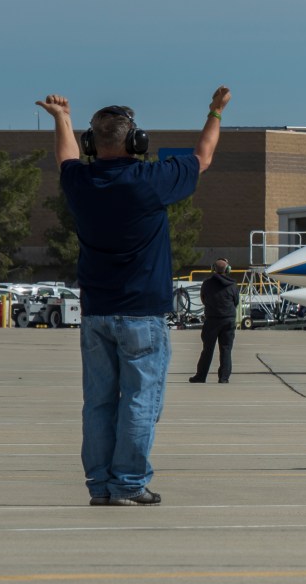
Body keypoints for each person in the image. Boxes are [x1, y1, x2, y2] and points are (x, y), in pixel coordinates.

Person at [36, 87, 231, 506]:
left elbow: (65, 158)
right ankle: (127, 483)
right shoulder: (151, 181)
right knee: (140, 402)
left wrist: (62, 120)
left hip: (96, 314)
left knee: (99, 404)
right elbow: (204, 157)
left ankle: (100, 486)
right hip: (142, 314)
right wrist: (215, 111)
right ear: (137, 143)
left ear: (93, 144)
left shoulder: (80, 182)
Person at [191, 258, 238, 383]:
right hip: (228, 320)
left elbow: (203, 299)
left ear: (213, 269)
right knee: (226, 349)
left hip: (211, 320)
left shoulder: (207, 283)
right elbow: (236, 302)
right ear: (228, 270)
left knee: (207, 349)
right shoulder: (232, 285)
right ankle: (223, 378)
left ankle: (201, 376)